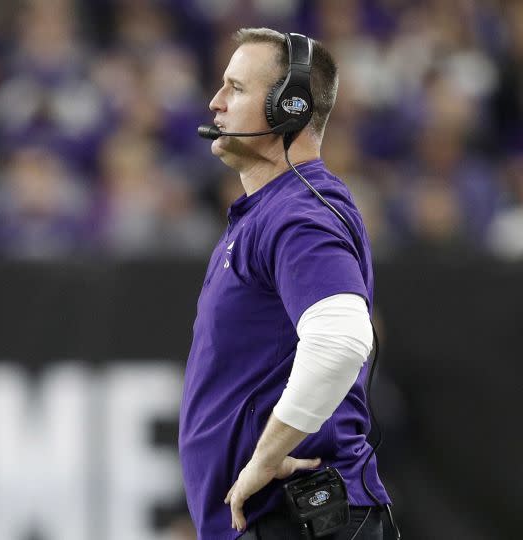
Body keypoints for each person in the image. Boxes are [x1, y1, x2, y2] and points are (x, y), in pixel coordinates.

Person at [178, 29, 394, 539]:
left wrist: (264, 458)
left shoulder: (297, 215)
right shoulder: (269, 212)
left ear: (287, 107)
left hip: (300, 520)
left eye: (235, 88)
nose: (216, 102)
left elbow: (341, 342)